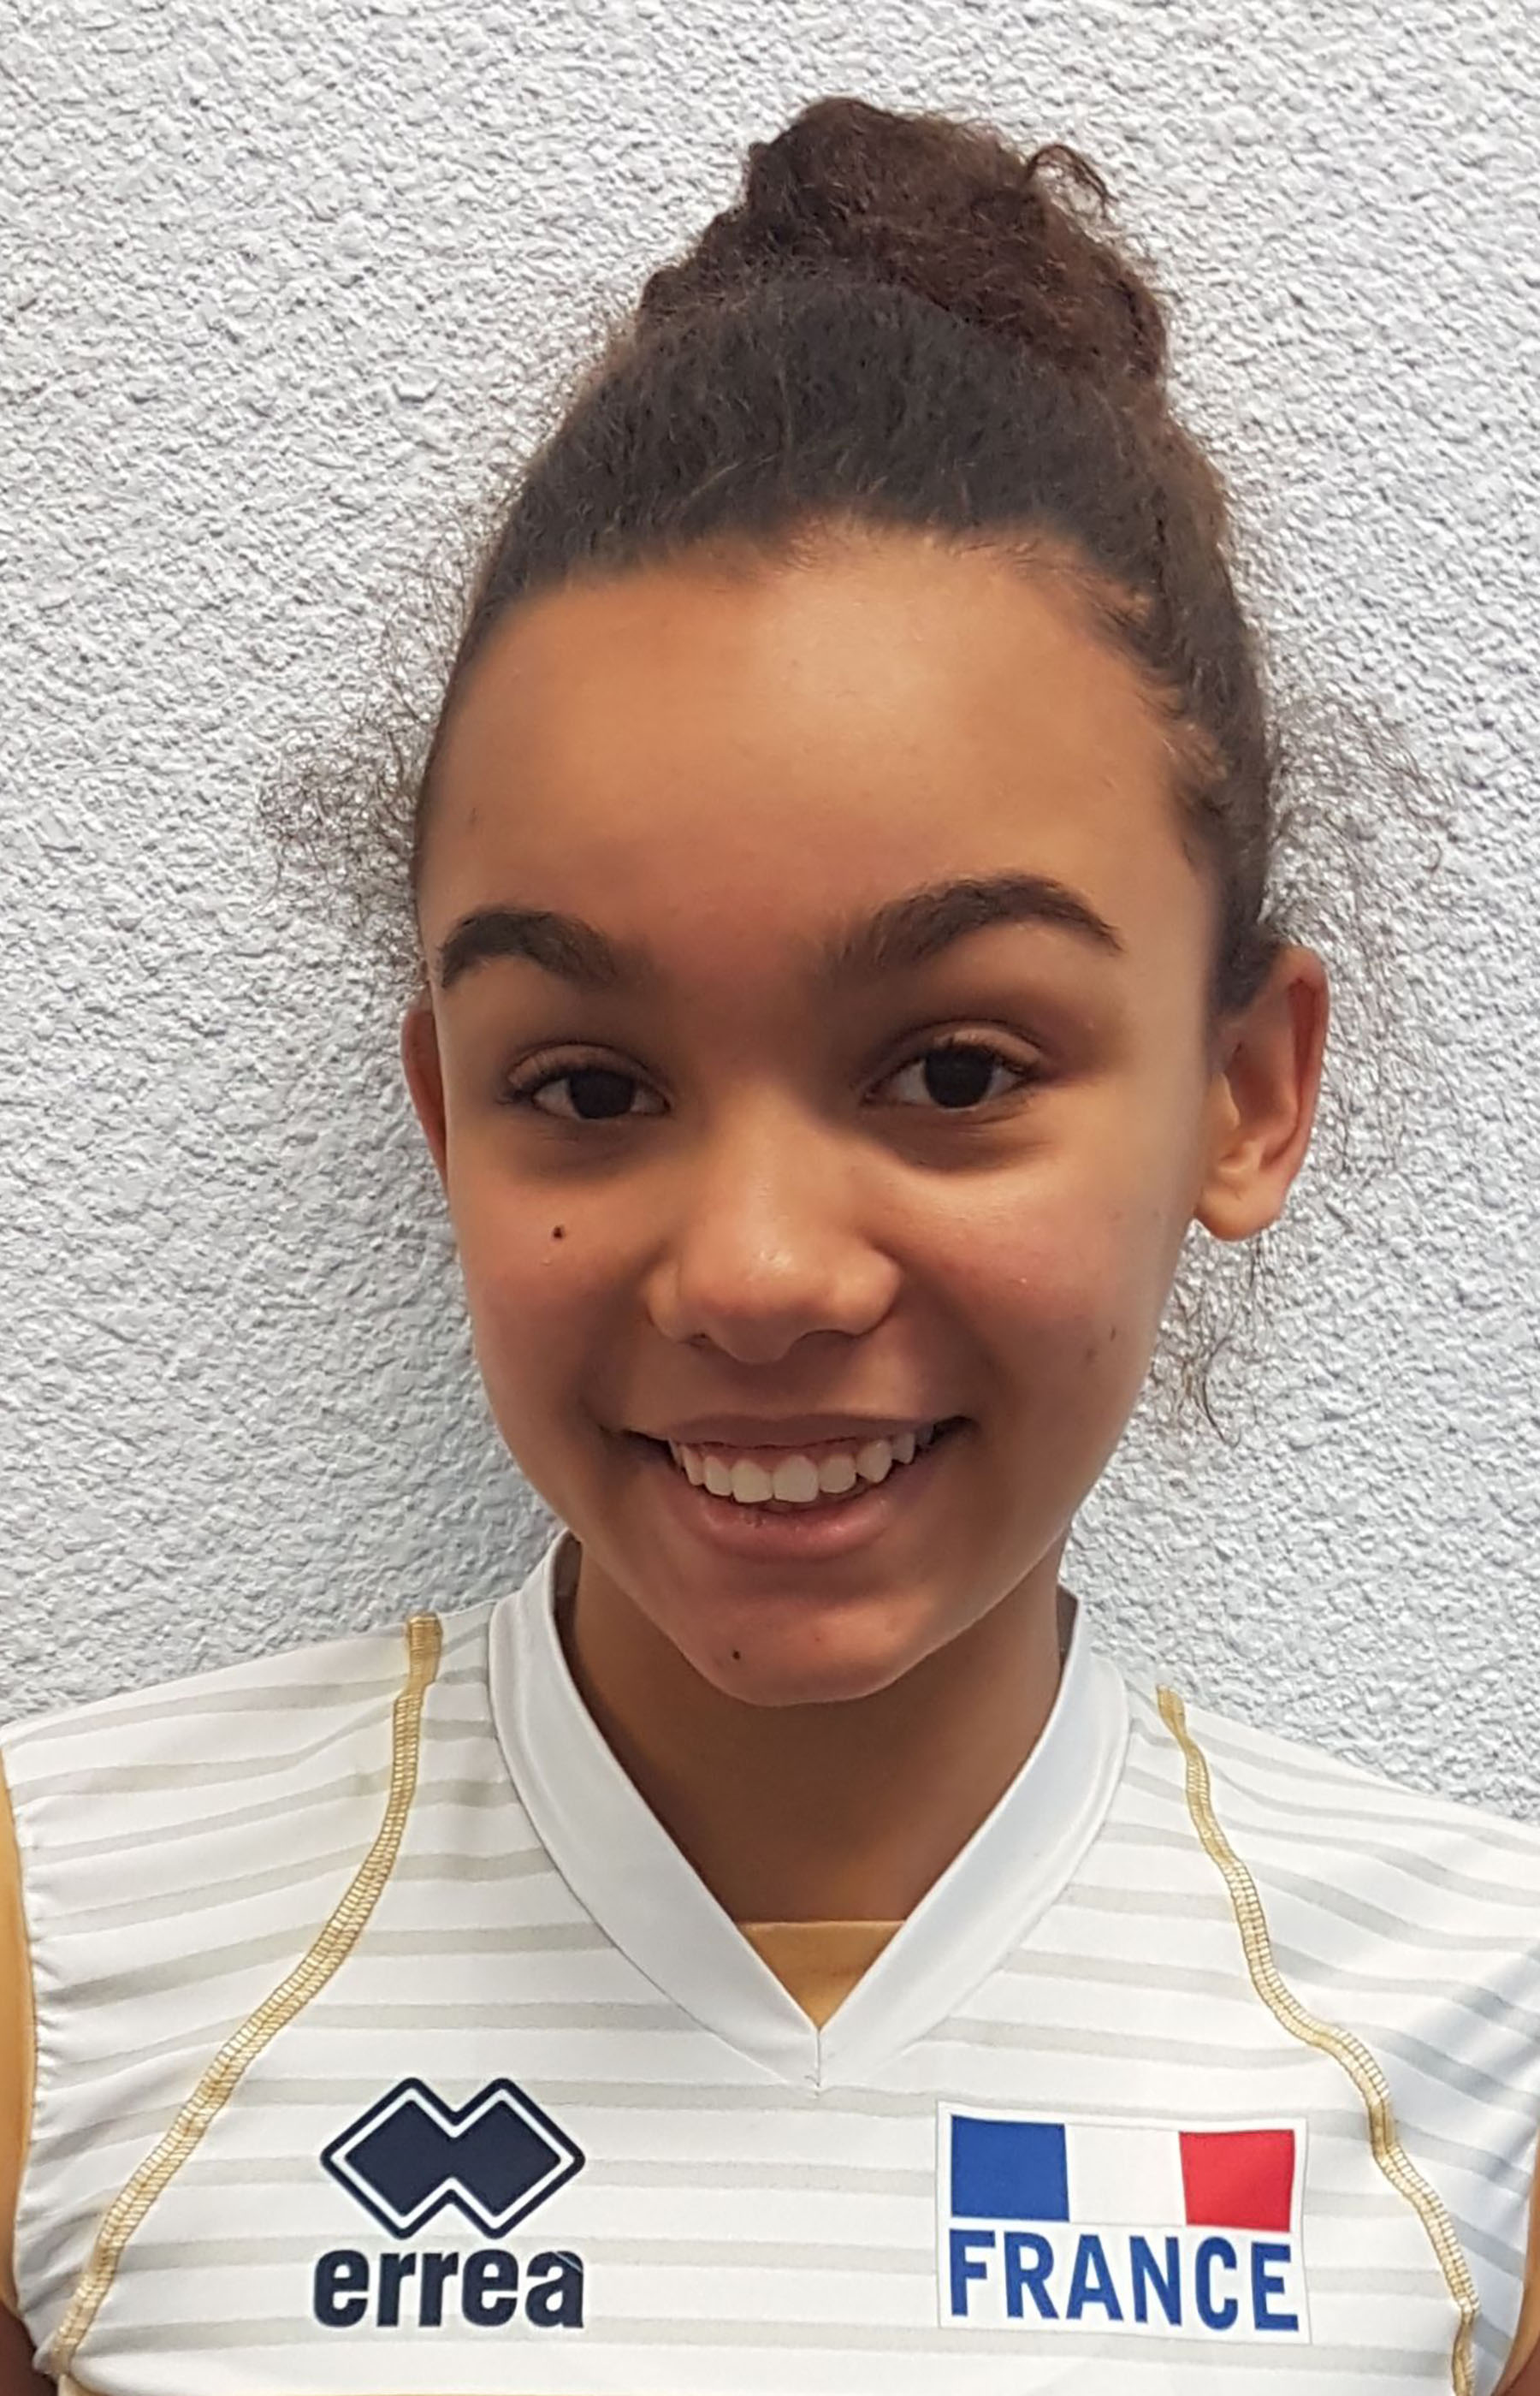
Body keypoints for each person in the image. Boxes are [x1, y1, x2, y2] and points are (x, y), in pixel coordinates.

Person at [1, 90, 1535, 2396]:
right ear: (445, 1114)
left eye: (955, 1071)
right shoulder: (67, 1945)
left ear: (1244, 1092)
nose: (754, 1272)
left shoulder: (1479, 2044)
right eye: (587, 1086)